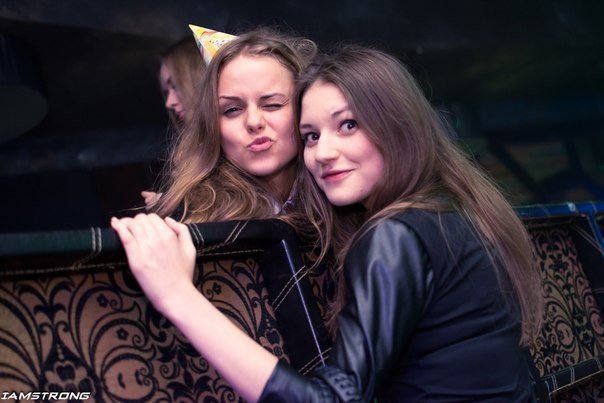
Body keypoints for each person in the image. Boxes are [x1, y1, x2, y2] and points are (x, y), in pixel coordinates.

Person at [112, 45, 543, 402]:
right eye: (313, 136)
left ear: (398, 125)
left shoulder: (394, 233)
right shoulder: (453, 209)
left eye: (348, 125)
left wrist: (177, 295)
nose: (323, 152)